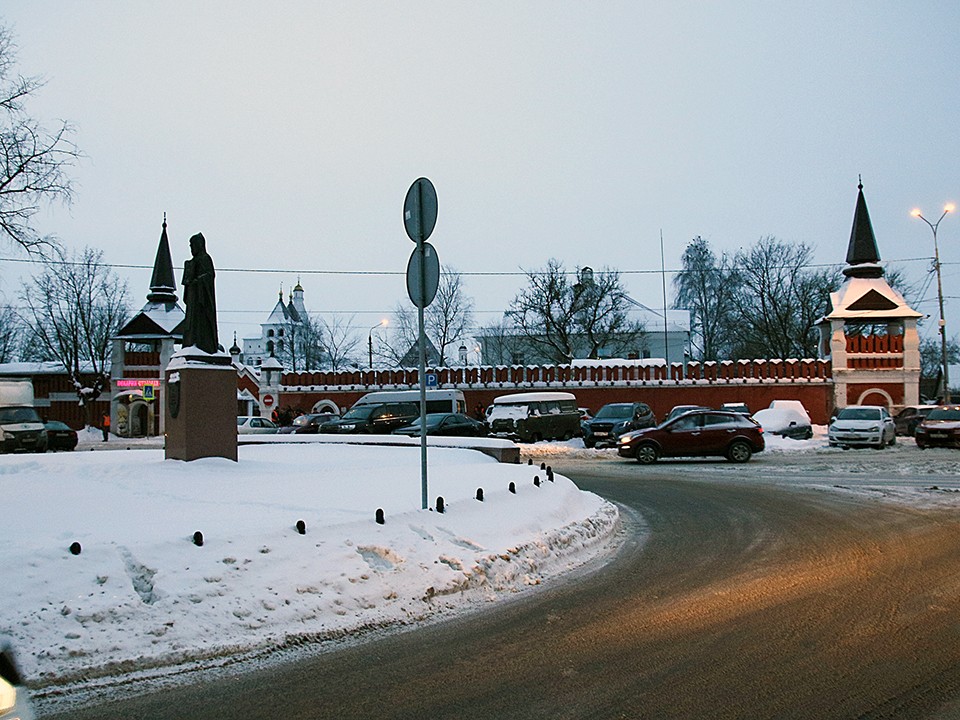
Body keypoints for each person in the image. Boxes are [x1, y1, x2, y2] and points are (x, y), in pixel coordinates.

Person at [181, 233, 219, 354]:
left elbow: (210, 275)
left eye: (193, 245)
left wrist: (198, 281)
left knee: (201, 323)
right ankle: (191, 342)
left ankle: (203, 344)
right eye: (190, 245)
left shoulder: (205, 258)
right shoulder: (192, 261)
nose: (191, 248)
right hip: (193, 297)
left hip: (201, 299)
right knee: (191, 323)